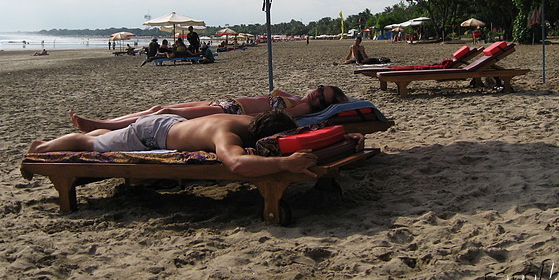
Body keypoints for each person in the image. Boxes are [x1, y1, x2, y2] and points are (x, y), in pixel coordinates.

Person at [29, 110, 365, 178]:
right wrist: (281, 164)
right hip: (151, 133)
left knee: (102, 138)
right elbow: (235, 164)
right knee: (94, 145)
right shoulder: (228, 136)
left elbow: (305, 129)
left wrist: (345, 137)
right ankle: (41, 148)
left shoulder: (256, 122)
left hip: (170, 126)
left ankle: (51, 141)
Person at [70, 85, 349, 132]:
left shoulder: (301, 111)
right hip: (226, 102)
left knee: (164, 115)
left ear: (324, 104)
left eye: (321, 95)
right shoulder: (300, 98)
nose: (316, 91)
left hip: (231, 113)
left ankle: (104, 126)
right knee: (161, 106)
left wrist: (236, 119)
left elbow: (272, 117)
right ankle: (106, 121)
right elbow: (275, 95)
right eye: (320, 86)